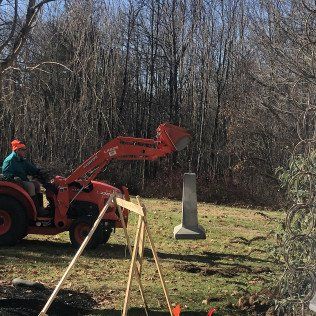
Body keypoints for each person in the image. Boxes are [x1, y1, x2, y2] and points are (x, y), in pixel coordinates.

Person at [2, 139, 47, 215]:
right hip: (15, 182)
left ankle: (41, 207)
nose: (25, 151)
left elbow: (31, 168)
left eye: (25, 149)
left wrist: (38, 172)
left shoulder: (21, 160)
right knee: (31, 186)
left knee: (37, 184)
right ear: (17, 150)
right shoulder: (10, 160)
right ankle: (35, 210)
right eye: (23, 150)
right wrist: (13, 177)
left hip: (22, 180)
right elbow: (6, 173)